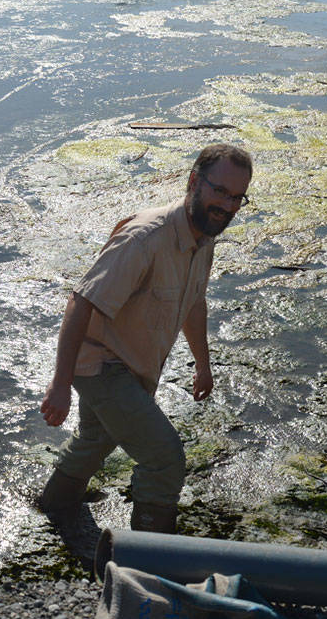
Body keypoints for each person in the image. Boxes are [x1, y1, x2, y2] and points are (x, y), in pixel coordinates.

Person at [38, 142, 253, 533]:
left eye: (238, 197)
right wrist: (60, 385)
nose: (228, 205)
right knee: (164, 459)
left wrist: (202, 366)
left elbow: (193, 303)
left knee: (96, 440)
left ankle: (51, 509)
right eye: (220, 191)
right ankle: (149, 561)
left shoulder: (203, 239)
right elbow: (80, 302)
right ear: (194, 181)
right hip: (101, 364)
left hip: (135, 366)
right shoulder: (145, 239)